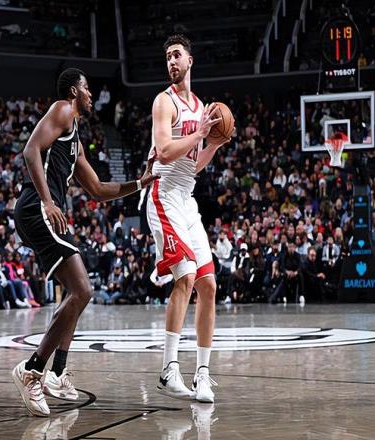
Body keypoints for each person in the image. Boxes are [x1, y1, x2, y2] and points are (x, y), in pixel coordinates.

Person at [11, 67, 158, 417]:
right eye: (88, 88)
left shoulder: (74, 138)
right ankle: (32, 370)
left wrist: (140, 182)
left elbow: (98, 190)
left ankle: (58, 372)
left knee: (75, 294)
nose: (92, 94)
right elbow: (30, 151)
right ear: (75, 91)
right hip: (37, 208)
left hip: (44, 211)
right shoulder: (62, 109)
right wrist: (48, 201)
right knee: (83, 290)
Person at [146, 34, 230, 403]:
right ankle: (168, 369)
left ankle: (203, 374)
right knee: (186, 276)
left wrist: (213, 144)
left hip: (186, 199)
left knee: (208, 286)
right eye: (167, 56)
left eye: (177, 55)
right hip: (162, 195)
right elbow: (165, 152)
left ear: (190, 60)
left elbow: (192, 165)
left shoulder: (200, 106)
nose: (171, 61)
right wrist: (199, 133)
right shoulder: (164, 102)